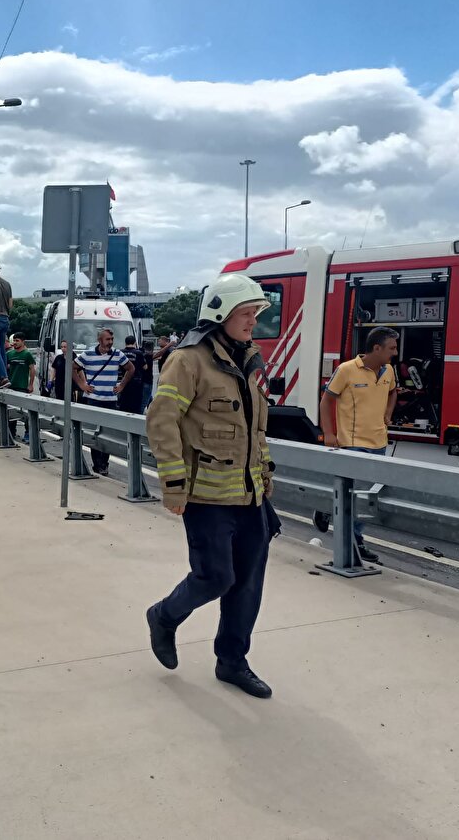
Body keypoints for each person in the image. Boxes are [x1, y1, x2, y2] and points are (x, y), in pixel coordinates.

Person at [144, 273, 276, 699]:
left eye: (255, 313)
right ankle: (164, 616)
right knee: (215, 576)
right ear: (220, 314)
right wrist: (174, 485)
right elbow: (162, 421)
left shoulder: (249, 358)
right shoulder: (188, 360)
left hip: (250, 493)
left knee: (247, 584)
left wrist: (265, 475)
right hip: (206, 493)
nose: (253, 321)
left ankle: (232, 662)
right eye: (245, 313)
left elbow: (256, 429)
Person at [319, 326, 400, 564]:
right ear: (377, 348)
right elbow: (327, 401)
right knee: (355, 497)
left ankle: (327, 510)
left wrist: (388, 413)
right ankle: (353, 543)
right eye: (392, 348)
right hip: (352, 443)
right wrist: (329, 433)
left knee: (366, 498)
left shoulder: (388, 370)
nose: (395, 353)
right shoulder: (346, 370)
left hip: (379, 443)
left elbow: (393, 393)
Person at [73, 328, 135, 474]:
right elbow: (73, 367)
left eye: (112, 339)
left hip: (110, 400)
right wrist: (82, 385)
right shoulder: (87, 355)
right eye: (108, 339)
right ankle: (97, 464)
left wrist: (121, 386)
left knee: (108, 434)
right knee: (95, 433)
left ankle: (104, 464)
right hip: (94, 399)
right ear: (100, 340)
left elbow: (130, 368)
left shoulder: (117, 354)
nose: (110, 342)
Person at [118, 335, 147, 416]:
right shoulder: (138, 353)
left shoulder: (120, 352)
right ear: (134, 342)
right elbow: (145, 367)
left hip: (123, 381)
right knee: (136, 404)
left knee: (124, 402)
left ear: (125, 342)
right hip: (136, 382)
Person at [140, 339, 156, 411]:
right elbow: (157, 355)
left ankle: (153, 411)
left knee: (149, 399)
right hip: (148, 382)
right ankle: (138, 416)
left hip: (143, 380)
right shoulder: (149, 356)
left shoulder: (142, 355)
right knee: (144, 403)